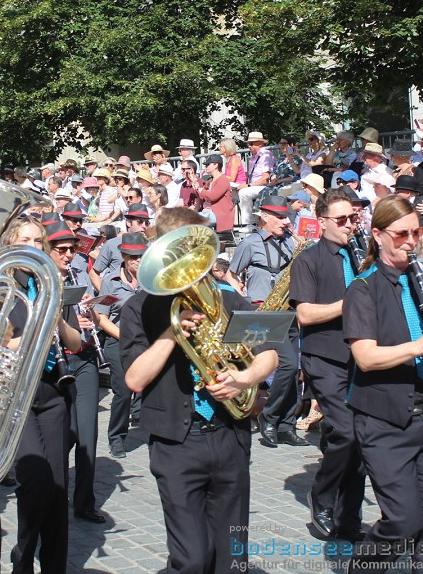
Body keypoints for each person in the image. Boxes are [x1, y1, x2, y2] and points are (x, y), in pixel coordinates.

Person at [120, 207, 280, 574]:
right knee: (191, 560)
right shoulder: (138, 309)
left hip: (230, 435)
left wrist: (244, 379)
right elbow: (134, 380)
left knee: (232, 561)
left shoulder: (230, 298)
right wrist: (170, 335)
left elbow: (269, 354)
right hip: (177, 442)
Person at [343, 196, 423, 573]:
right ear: (377, 235)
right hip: (384, 418)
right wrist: (422, 345)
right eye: (401, 234)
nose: (411, 241)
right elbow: (366, 358)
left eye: (417, 232)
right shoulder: (363, 287)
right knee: (403, 521)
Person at [3, 218, 82, 574]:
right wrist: (35, 332)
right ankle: (23, 555)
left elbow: (76, 343)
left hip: (53, 390)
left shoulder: (51, 284)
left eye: (39, 241)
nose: (35, 246)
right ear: (11, 243)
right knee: (35, 481)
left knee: (58, 486)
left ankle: (54, 566)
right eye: (26, 240)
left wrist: (58, 320)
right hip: (15, 393)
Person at [288, 189, 366, 542]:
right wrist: (348, 302)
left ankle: (349, 518)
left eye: (354, 218)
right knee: (347, 432)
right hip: (326, 358)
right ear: (322, 223)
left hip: (360, 355)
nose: (351, 225)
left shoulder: (359, 253)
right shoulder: (309, 259)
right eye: (343, 220)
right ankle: (320, 496)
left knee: (357, 437)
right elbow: (304, 314)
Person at [228, 195, 307, 447]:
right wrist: (241, 295)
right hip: (262, 310)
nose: (286, 221)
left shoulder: (291, 243)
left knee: (293, 370)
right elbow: (231, 274)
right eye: (281, 217)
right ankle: (269, 417)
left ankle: (287, 425)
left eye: (287, 216)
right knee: (286, 365)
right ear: (265, 217)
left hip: (288, 310)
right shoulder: (250, 243)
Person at [46, 221, 105, 524]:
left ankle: (84, 501)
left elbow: (92, 317)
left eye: (72, 250)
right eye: (63, 250)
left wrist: (90, 312)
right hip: (54, 364)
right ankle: (54, 497)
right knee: (62, 435)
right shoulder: (39, 280)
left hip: (83, 361)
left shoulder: (76, 274)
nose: (69, 255)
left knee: (88, 434)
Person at [94, 231, 147, 459]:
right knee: (123, 392)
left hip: (145, 341)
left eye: (141, 257)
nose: (137, 261)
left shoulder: (152, 280)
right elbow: (101, 317)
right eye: (132, 257)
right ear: (124, 257)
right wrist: (124, 336)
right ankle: (116, 437)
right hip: (118, 342)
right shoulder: (111, 281)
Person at [192, 154, 235, 241]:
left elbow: (213, 197)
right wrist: (195, 185)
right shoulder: (210, 180)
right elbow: (203, 197)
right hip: (208, 212)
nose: (206, 167)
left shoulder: (223, 180)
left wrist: (199, 188)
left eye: (208, 165)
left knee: (191, 219)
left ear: (216, 165)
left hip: (219, 215)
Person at [238, 131, 275, 230]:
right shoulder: (253, 158)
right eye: (248, 144)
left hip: (264, 187)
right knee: (231, 192)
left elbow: (265, 179)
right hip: (255, 186)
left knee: (244, 193)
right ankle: (227, 226)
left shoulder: (265, 155)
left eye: (251, 144)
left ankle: (248, 224)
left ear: (260, 143)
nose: (249, 146)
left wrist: (248, 185)